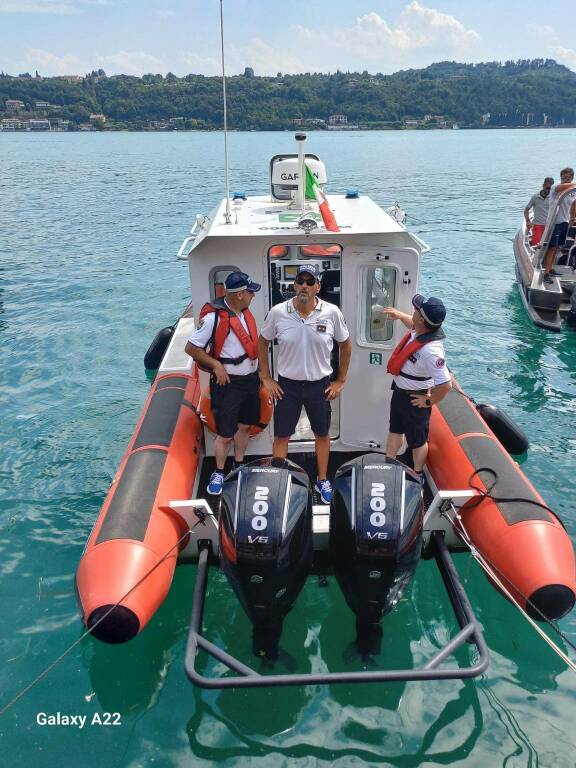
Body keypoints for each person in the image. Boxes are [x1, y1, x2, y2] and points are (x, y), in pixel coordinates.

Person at [257, 264, 352, 504]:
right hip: (287, 386)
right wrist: (266, 378)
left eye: (311, 282)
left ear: (318, 287)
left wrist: (340, 380)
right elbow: (262, 342)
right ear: (294, 285)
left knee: (322, 434)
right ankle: (278, 479)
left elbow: (346, 345)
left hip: (319, 386)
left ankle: (322, 479)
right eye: (301, 281)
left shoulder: (332, 313)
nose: (305, 286)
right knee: (281, 436)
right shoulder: (278, 312)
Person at [185, 271, 261, 495]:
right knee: (225, 433)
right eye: (250, 292)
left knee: (245, 426)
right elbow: (191, 348)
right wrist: (217, 366)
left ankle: (238, 464)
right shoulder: (213, 319)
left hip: (250, 381)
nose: (252, 296)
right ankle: (219, 471)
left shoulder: (245, 314)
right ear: (239, 295)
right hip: (229, 384)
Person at [381, 295, 452, 481]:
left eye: (417, 310)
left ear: (421, 319)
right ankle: (389, 463)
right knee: (394, 430)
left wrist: (428, 401)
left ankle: (417, 473)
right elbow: (411, 324)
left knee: (418, 441)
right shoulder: (420, 331)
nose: (413, 312)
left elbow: (446, 384)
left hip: (415, 400)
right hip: (399, 394)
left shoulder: (431, 351)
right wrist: (399, 314)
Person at [542, 167, 576, 283]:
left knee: (557, 247)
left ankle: (551, 269)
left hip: (564, 222)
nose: (566, 178)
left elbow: (573, 204)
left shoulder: (573, 190)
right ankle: (546, 273)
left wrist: (572, 217)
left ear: (572, 177)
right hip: (554, 222)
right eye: (564, 176)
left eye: (569, 177)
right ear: (561, 177)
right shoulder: (556, 187)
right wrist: (573, 184)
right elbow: (560, 188)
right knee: (551, 248)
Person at [524, 177, 553, 246]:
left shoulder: (554, 197)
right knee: (536, 245)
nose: (549, 190)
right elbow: (526, 209)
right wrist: (528, 221)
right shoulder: (535, 197)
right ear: (543, 185)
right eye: (547, 188)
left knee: (549, 247)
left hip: (549, 226)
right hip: (538, 225)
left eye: (551, 189)